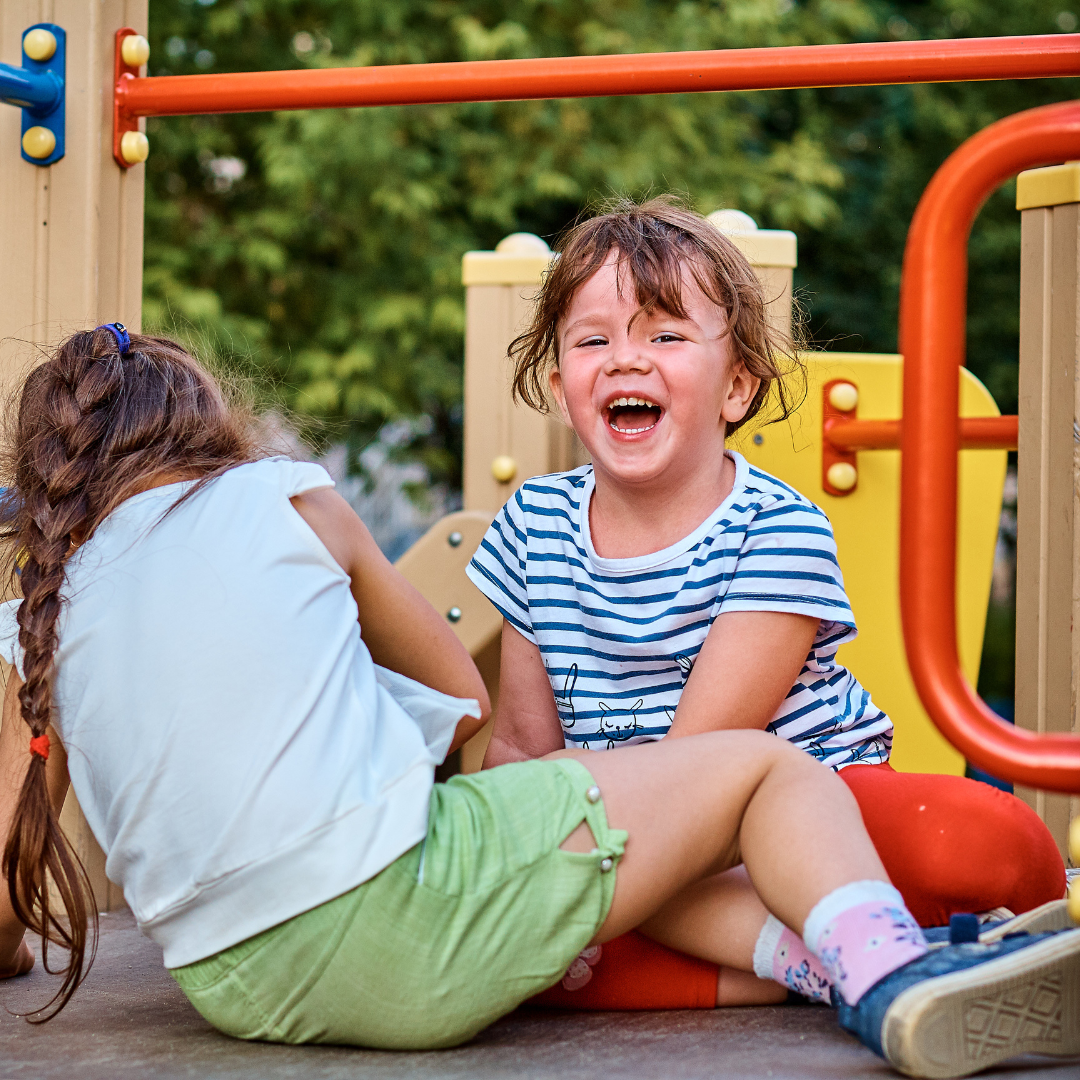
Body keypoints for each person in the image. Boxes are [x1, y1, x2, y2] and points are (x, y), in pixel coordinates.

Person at [0, 327, 1074, 1080]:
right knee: (765, 773)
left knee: (632, 866)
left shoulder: (35, 615)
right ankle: (890, 976)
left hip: (234, 988)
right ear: (208, 429)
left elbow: (11, 878)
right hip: (399, 922)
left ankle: (820, 965)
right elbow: (460, 698)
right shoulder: (285, 496)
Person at [467, 197, 1069, 1014]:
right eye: (592, 340)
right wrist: (519, 854)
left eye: (665, 335)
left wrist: (578, 868)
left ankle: (761, 944)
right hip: (636, 843)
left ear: (738, 387)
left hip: (807, 814)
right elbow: (520, 752)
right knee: (498, 913)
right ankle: (826, 963)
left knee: (987, 846)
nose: (624, 359)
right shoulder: (534, 526)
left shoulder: (776, 527)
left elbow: (702, 764)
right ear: (559, 382)